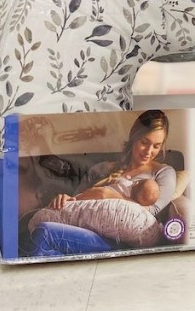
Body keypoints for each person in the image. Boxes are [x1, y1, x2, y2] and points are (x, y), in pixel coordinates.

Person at [28, 110, 177, 257]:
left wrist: (107, 194)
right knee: (39, 231)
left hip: (118, 240)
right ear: (134, 136)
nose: (149, 151)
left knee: (45, 233)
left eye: (156, 146)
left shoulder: (163, 173)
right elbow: (77, 203)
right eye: (144, 142)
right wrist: (64, 199)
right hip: (84, 229)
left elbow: (148, 213)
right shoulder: (101, 169)